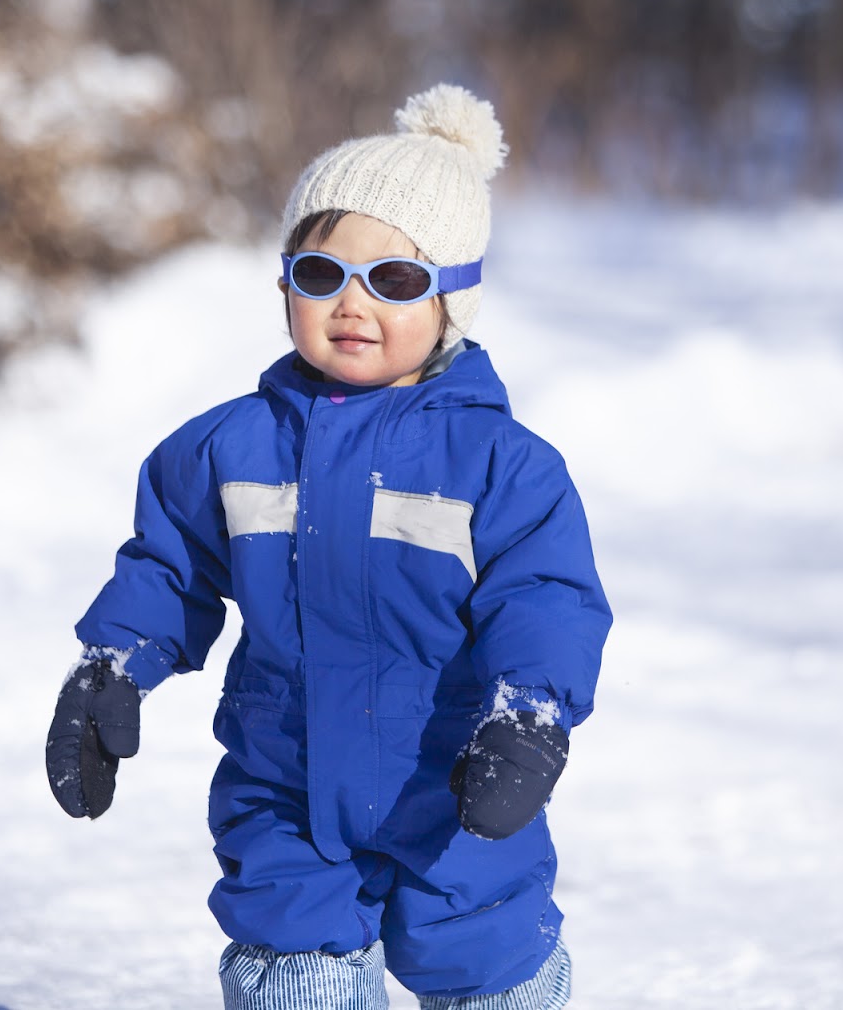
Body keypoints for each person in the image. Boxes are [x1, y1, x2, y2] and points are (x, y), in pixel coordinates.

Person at [45, 84, 612, 1010]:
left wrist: (528, 716)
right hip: (285, 779)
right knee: (290, 967)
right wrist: (114, 663)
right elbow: (169, 565)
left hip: (456, 776)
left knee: (486, 958)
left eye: (393, 281)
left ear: (454, 303)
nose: (352, 303)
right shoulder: (229, 447)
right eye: (320, 275)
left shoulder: (501, 465)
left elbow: (546, 596)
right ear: (284, 288)